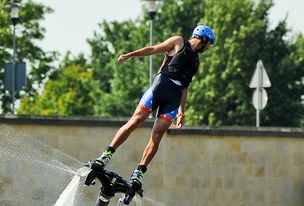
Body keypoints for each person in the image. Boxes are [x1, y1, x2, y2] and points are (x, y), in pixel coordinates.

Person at [86, 24, 216, 196]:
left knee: (157, 136)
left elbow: (185, 88)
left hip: (174, 99)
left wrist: (181, 112)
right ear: (204, 38)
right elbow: (153, 49)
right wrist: (130, 55)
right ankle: (106, 155)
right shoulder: (178, 42)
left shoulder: (196, 62)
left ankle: (138, 173)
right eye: (209, 44)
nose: (208, 48)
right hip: (159, 87)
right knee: (135, 121)